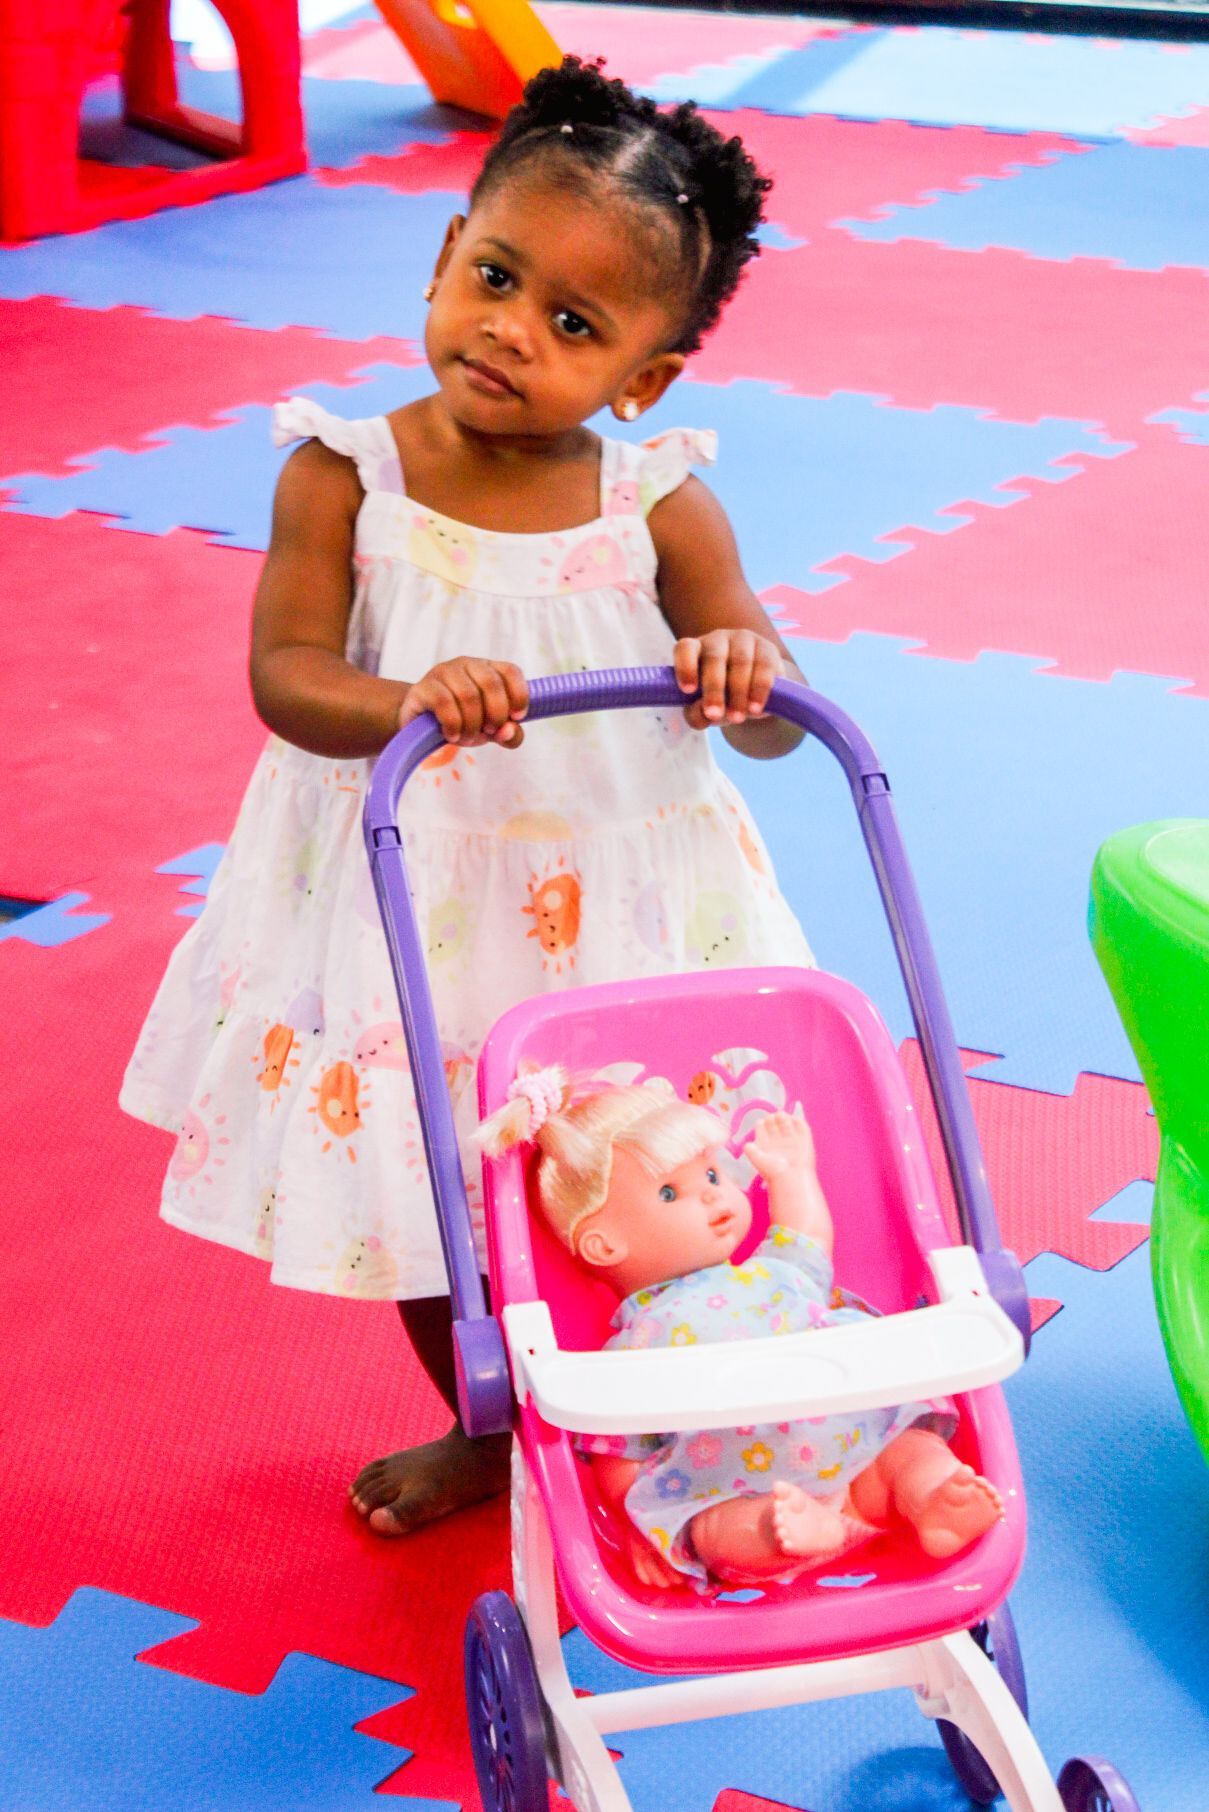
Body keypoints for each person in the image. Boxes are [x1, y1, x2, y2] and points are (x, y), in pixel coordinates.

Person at [120, 55, 817, 1538]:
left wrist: (739, 662)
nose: (511, 328)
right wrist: (408, 702)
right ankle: (486, 1430)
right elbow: (286, 676)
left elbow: (768, 725)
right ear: (445, 257)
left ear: (642, 377)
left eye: (573, 322)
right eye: (495, 275)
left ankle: (667, 1395)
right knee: (431, 1197)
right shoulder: (344, 474)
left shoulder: (659, 504)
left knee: (654, 1170)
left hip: (625, 912)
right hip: (406, 906)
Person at [477, 1071, 1005, 1588]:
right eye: (669, 1193)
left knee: (908, 1448)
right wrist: (640, 1527)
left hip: (859, 1446)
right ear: (604, 1244)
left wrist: (792, 1173)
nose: (713, 1195)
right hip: (738, 1486)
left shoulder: (775, 1271)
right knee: (710, 1528)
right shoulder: (633, 1345)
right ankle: (787, 1536)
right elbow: (620, 1460)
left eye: (711, 1176)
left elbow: (807, 1235)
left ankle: (932, 1499)